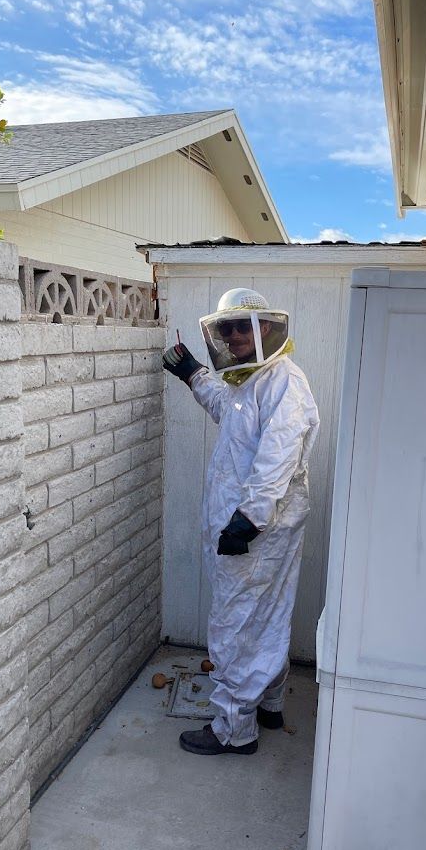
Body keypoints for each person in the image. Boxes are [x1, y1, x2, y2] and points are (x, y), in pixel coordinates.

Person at [163, 288, 319, 755]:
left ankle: (233, 729)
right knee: (267, 616)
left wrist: (248, 520)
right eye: (226, 328)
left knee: (236, 623)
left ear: (266, 327)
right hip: (261, 525)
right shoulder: (250, 382)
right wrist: (193, 374)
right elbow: (229, 412)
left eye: (242, 326)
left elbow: (278, 457)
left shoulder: (283, 383)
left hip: (255, 529)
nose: (233, 336)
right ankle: (267, 705)